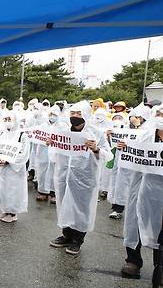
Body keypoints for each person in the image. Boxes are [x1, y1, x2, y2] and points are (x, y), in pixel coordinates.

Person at [48, 101, 112, 255]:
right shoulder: (63, 131)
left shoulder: (95, 133)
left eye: (79, 114)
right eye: (73, 113)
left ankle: (78, 239)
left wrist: (96, 149)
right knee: (64, 205)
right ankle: (66, 235)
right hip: (64, 175)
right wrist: (51, 143)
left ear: (86, 115)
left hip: (85, 178)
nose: (75, 116)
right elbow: (54, 153)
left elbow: (107, 155)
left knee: (81, 208)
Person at [118, 106, 163, 278]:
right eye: (158, 114)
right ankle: (133, 260)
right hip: (142, 187)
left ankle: (160, 266)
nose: (160, 117)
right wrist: (125, 148)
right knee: (135, 221)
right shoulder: (145, 135)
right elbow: (133, 155)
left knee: (159, 227)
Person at [0, 114, 30, 222]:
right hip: (2, 169)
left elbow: (24, 153)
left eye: (9, 119)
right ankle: (5, 210)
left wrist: (9, 161)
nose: (7, 121)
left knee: (13, 190)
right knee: (3, 190)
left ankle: (12, 213)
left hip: (14, 170)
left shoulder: (22, 135)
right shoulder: (3, 134)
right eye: (5, 119)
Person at [107, 106, 147, 219]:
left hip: (137, 163)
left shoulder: (148, 128)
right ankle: (117, 207)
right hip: (122, 159)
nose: (135, 119)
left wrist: (138, 126)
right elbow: (113, 143)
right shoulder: (124, 127)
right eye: (134, 117)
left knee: (135, 187)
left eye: (139, 117)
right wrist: (111, 135)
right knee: (119, 183)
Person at [34, 106, 66, 203]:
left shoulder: (63, 126)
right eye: (50, 114)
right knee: (42, 171)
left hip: (56, 153)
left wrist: (55, 141)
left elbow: (65, 139)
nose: (52, 116)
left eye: (54, 115)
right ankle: (42, 192)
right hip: (43, 152)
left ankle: (54, 193)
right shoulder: (43, 125)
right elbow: (36, 136)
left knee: (55, 172)